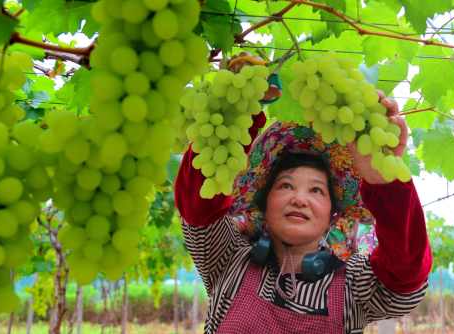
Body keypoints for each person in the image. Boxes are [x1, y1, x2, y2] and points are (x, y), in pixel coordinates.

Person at [175, 54, 432, 334]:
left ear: (332, 215)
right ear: (264, 202)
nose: (299, 199)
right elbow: (198, 206)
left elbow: (406, 276)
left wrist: (385, 183)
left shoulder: (355, 283)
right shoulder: (229, 258)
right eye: (286, 185)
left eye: (316, 190)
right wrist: (236, 109)